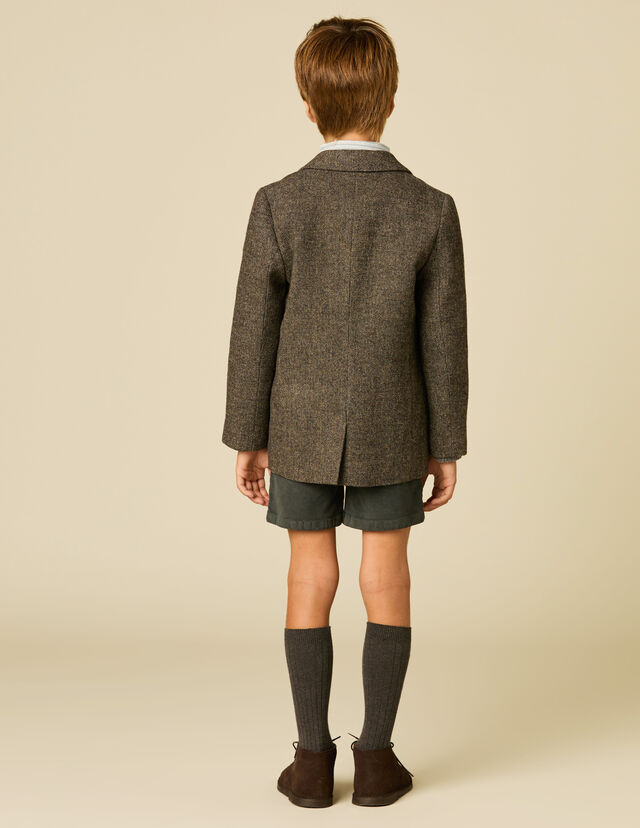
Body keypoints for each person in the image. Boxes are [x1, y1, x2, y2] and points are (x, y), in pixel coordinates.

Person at [222, 16, 468, 808]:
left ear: (307, 104)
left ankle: (308, 763)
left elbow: (253, 332)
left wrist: (247, 436)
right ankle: (377, 759)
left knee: (309, 574)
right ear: (390, 100)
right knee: (386, 578)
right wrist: (445, 444)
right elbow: (444, 342)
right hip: (397, 428)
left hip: (297, 425)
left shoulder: (278, 203)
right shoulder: (431, 209)